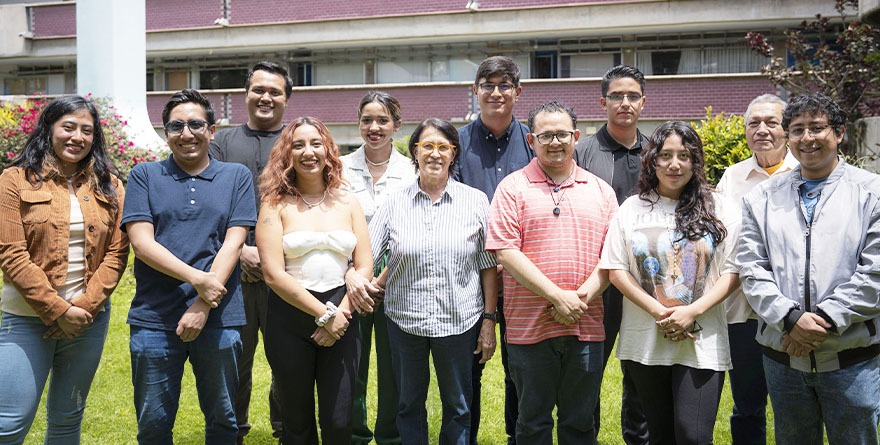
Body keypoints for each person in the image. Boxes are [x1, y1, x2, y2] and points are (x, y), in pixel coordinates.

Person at [737, 93, 880, 444]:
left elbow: (875, 272)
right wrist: (789, 319)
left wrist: (821, 322)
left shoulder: (871, 192)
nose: (808, 138)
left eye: (817, 128)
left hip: (851, 358)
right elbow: (751, 269)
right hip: (783, 357)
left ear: (839, 133)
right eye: (798, 130)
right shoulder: (762, 197)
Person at [122, 89, 256, 444]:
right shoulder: (144, 175)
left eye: (196, 124)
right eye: (176, 126)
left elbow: (234, 241)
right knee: (153, 423)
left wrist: (202, 303)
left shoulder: (236, 176)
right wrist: (199, 280)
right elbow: (142, 243)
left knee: (224, 420)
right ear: (165, 133)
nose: (187, 133)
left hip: (220, 318)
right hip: (154, 318)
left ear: (212, 130)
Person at [599, 121, 740, 444]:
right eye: (665, 155)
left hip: (701, 342)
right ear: (652, 160)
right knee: (659, 436)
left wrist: (692, 311)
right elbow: (616, 269)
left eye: (684, 155)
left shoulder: (721, 207)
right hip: (645, 341)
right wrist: (658, 311)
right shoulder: (632, 209)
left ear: (695, 161)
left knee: (694, 436)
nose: (675, 164)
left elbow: (734, 270)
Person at [486, 101, 617, 444]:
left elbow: (613, 258)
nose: (555, 142)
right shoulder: (512, 188)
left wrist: (579, 299)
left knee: (580, 422)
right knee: (532, 422)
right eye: (546, 135)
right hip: (528, 328)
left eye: (562, 134)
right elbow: (506, 251)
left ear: (576, 137)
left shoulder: (602, 191)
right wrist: (557, 296)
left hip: (586, 325)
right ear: (531, 140)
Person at [0, 95, 129, 443]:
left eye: (87, 130)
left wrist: (82, 309)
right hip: (26, 317)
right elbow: (11, 253)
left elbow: (117, 254)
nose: (77, 137)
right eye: (68, 127)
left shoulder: (111, 186)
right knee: (10, 422)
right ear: (49, 129)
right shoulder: (14, 181)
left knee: (67, 419)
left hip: (87, 321)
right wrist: (58, 310)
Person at [369, 118, 497, 445]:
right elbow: (367, 254)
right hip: (405, 322)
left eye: (444, 147)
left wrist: (488, 320)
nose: (435, 154)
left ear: (454, 153)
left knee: (458, 406)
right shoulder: (395, 202)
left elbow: (488, 265)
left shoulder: (475, 201)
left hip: (460, 322)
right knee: (409, 403)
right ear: (415, 151)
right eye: (427, 146)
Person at [257, 116, 372, 444]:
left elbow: (364, 265)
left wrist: (340, 314)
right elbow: (272, 273)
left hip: (343, 316)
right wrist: (324, 315)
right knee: (296, 422)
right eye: (298, 145)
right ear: (287, 154)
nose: (308, 152)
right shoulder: (274, 204)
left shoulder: (348, 201)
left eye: (316, 143)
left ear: (328, 150)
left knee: (339, 421)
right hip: (289, 319)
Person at [209, 60, 293, 444]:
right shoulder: (222, 143)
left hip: (289, 273)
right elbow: (209, 204)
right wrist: (240, 249)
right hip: (234, 273)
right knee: (234, 359)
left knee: (287, 360)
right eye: (259, 89)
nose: (266, 97)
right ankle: (232, 430)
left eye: (275, 91)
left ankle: (287, 429)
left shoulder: (299, 139)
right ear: (246, 94)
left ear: (286, 99)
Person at [454, 54, 533, 445]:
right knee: (468, 371)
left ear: (518, 92)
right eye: (488, 84)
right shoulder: (456, 143)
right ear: (475, 91)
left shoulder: (534, 141)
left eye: (505, 85)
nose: (496, 92)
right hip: (468, 280)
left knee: (519, 369)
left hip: (524, 278)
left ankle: (518, 437)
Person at [573, 64, 650, 444]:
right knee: (589, 373)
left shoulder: (657, 152)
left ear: (643, 102)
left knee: (641, 372)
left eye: (632, 96)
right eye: (617, 96)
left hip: (648, 283)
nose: (625, 103)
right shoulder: (581, 153)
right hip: (597, 281)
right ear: (602, 102)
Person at [715, 93, 797, 445]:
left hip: (793, 311)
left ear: (787, 129)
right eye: (753, 123)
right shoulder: (732, 179)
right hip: (742, 313)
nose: (762, 130)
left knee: (794, 405)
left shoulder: (806, 171)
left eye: (771, 122)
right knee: (747, 403)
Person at [341, 91, 416, 445]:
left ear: (397, 126)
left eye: (383, 120)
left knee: (393, 366)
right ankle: (354, 433)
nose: (374, 127)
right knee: (350, 364)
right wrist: (354, 275)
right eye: (367, 120)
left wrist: (381, 278)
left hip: (397, 281)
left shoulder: (411, 170)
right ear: (358, 123)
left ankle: (390, 434)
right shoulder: (338, 168)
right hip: (350, 281)